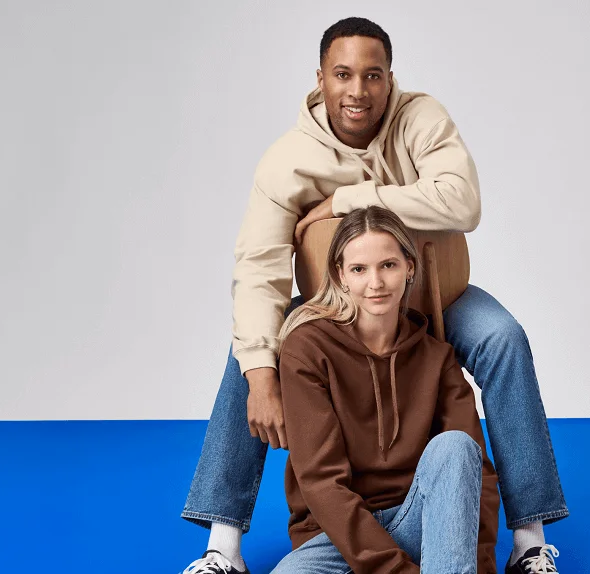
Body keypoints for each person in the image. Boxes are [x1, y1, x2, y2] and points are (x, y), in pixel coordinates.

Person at [180, 16, 566, 574]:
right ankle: (222, 546)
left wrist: (349, 200)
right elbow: (260, 268)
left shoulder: (421, 118)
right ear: (320, 79)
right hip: (338, 306)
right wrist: (262, 376)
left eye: (372, 75)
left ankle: (529, 542)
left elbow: (463, 202)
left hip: (439, 296)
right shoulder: (287, 160)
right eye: (343, 75)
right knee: (252, 349)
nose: (357, 91)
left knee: (503, 336)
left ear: (390, 79)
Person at [272, 205, 499, 573]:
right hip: (337, 537)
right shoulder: (308, 348)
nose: (375, 283)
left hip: (420, 520)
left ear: (409, 267)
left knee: (456, 447)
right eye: (359, 269)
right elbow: (321, 481)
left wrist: (481, 566)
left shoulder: (436, 357)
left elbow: (478, 477)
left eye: (388, 265)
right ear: (340, 275)